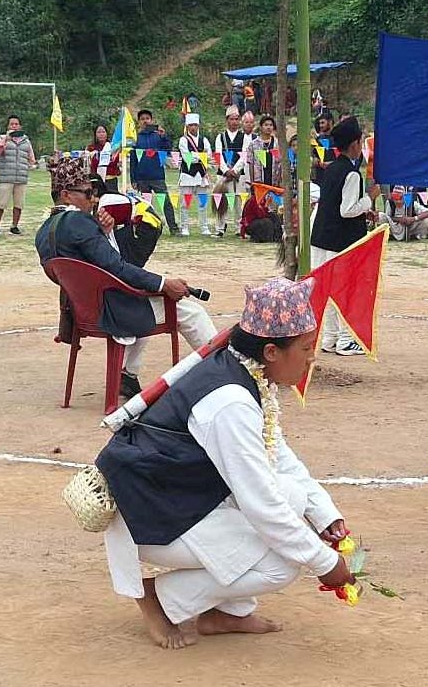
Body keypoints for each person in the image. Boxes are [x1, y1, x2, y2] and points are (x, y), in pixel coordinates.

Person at [96, 276, 352, 649]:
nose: (313, 358)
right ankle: (162, 600)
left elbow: (278, 456)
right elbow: (260, 503)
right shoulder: (230, 403)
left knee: (293, 497)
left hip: (179, 498)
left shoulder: (247, 373)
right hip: (149, 517)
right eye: (306, 348)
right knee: (281, 564)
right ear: (271, 352)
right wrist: (325, 564)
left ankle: (225, 613)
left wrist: (325, 515)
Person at [37, 157, 214, 395]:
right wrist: (164, 284)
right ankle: (224, 368)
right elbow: (117, 267)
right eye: (88, 193)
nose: (94, 199)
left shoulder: (43, 231)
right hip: (111, 310)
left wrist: (107, 233)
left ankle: (127, 374)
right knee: (192, 312)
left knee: (146, 301)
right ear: (67, 195)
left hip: (81, 311)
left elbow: (99, 268)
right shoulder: (78, 222)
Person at [309, 116, 376, 356]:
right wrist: (370, 198)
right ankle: (346, 340)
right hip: (341, 242)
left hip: (321, 238)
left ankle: (331, 337)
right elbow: (347, 210)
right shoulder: (351, 173)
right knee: (345, 289)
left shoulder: (332, 169)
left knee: (327, 289)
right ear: (356, 144)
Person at [241, 115, 284, 238]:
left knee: (273, 208)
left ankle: (275, 232)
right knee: (260, 207)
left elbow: (281, 163)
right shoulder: (253, 144)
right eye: (266, 125)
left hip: (274, 180)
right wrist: (253, 182)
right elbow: (250, 164)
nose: (268, 127)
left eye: (271, 125)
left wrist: (280, 180)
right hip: (259, 182)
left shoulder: (277, 143)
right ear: (260, 127)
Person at [0, 114, 35, 236]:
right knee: (1, 203)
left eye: (16, 124)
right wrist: (6, 140)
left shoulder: (26, 140)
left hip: (21, 177)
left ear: (20, 126)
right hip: (6, 176)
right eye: (12, 124)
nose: (14, 126)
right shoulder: (2, 138)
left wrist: (31, 164)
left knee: (19, 204)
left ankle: (14, 226)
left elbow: (31, 157)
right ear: (8, 126)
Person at [133, 109, 174, 225]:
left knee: (166, 202)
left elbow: (168, 149)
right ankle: (147, 227)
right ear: (139, 122)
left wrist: (164, 136)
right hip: (141, 177)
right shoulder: (136, 138)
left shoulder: (158, 136)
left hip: (157, 176)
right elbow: (133, 159)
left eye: (147, 118)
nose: (145, 121)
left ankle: (173, 227)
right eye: (142, 119)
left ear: (151, 120)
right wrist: (133, 179)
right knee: (144, 205)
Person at [210, 108, 247, 238]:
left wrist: (235, 171)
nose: (235, 122)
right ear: (227, 120)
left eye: (237, 119)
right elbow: (218, 155)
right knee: (221, 201)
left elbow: (244, 156)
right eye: (232, 119)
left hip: (238, 175)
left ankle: (239, 228)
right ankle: (219, 228)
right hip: (223, 175)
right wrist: (226, 171)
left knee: (238, 202)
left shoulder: (244, 137)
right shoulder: (220, 137)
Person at [175, 112, 213, 237]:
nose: (193, 128)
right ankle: (184, 227)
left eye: (195, 125)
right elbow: (187, 158)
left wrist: (199, 156)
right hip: (187, 176)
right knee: (185, 204)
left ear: (198, 126)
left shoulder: (204, 140)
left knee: (203, 203)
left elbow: (209, 155)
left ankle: (204, 226)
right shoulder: (183, 140)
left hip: (201, 176)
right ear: (187, 126)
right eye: (191, 125)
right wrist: (200, 156)